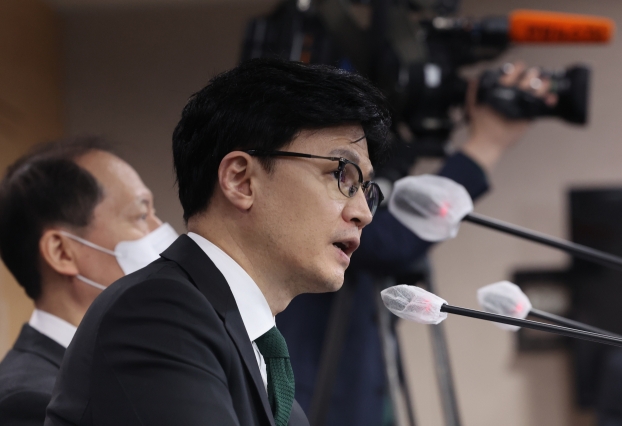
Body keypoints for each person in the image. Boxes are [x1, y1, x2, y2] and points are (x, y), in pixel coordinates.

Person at [45, 58, 392, 426]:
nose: (363, 213)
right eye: (343, 174)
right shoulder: (160, 315)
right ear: (241, 180)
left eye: (366, 190)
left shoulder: (268, 373)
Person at [277, 63, 560, 425]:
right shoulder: (311, 208)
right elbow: (388, 241)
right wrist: (485, 145)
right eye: (343, 176)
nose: (360, 211)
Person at [0, 138, 178, 426]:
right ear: (61, 252)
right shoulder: (28, 401)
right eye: (142, 214)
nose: (161, 231)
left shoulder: (140, 363)